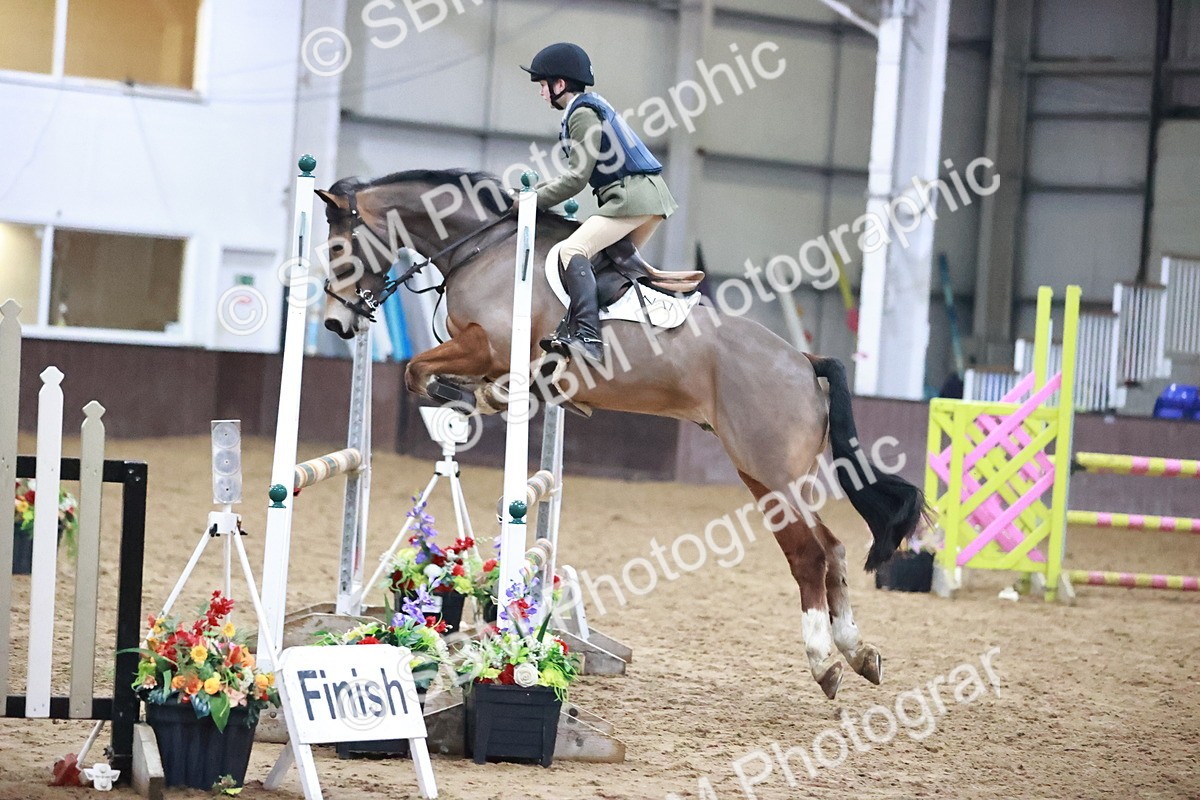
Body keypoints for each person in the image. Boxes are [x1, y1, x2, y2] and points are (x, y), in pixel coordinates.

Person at [521, 42, 678, 363]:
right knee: (601, 265)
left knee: (571, 251)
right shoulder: (588, 107)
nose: (541, 93)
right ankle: (601, 332)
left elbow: (577, 177)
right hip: (644, 197)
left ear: (559, 84)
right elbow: (573, 174)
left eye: (542, 85)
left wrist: (532, 201)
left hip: (632, 199)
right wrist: (530, 195)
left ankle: (589, 338)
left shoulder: (581, 114)